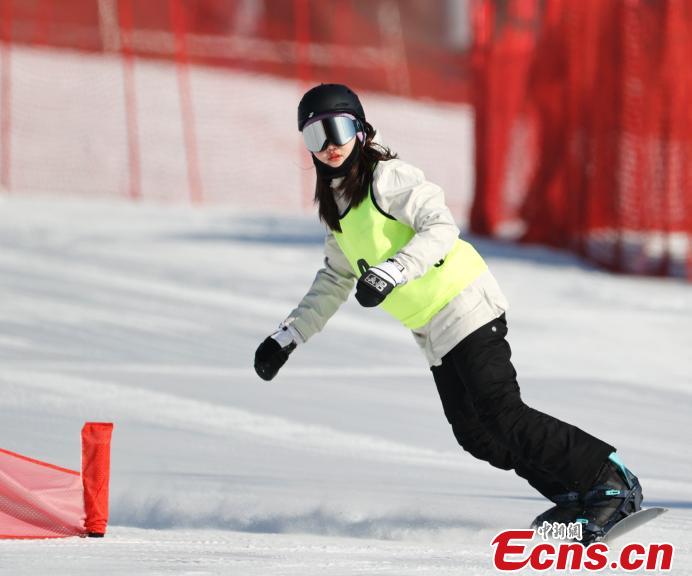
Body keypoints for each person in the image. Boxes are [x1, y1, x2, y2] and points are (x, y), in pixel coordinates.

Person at [253, 83, 643, 544]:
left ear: (360, 130)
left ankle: (610, 481)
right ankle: (574, 493)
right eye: (315, 136)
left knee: (502, 412)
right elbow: (334, 279)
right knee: (476, 434)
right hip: (432, 328)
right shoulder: (339, 205)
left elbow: (440, 227)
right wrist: (289, 336)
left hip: (464, 302)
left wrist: (393, 270)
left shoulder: (387, 178)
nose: (330, 145)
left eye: (337, 129)